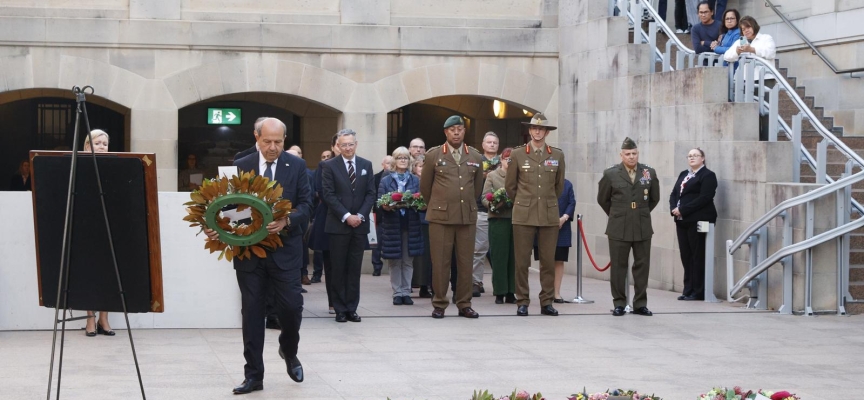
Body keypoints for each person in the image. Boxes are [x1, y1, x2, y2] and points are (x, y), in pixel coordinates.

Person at [204, 118, 310, 394]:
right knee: (252, 312)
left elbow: (308, 205)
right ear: (256, 137)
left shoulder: (297, 166)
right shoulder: (240, 165)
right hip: (249, 253)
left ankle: (289, 350)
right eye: (267, 141)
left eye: (278, 142)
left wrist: (287, 220)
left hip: (286, 252)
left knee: (291, 309)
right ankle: (253, 375)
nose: (273, 147)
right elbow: (227, 208)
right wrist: (218, 228)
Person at [419, 115, 484, 319]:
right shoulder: (434, 155)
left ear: (464, 131)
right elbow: (425, 188)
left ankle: (464, 303)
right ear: (445, 132)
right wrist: (441, 204)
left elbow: (477, 188)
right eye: (452, 129)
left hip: (466, 217)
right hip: (441, 217)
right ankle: (439, 303)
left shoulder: (475, 156)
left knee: (466, 262)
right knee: (440, 263)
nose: (456, 132)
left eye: (460, 129)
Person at [505, 113, 566, 317]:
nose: (537, 132)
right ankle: (522, 301)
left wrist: (546, 201)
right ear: (529, 131)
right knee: (522, 261)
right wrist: (524, 202)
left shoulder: (556, 155)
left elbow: (558, 186)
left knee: (548, 261)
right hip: (524, 213)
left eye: (541, 129)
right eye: (534, 128)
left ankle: (546, 301)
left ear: (547, 132)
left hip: (548, 214)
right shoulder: (518, 154)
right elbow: (511, 187)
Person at [597, 137, 660, 317]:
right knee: (618, 267)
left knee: (642, 266)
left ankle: (640, 304)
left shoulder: (649, 172)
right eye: (627, 154)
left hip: (642, 225)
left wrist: (639, 212)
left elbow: (654, 198)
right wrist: (618, 213)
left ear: (637, 154)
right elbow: (603, 199)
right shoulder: (611, 174)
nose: (631, 157)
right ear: (621, 155)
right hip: (618, 226)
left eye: (634, 153)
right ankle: (619, 303)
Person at [320, 129, 376, 323]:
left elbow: (371, 193)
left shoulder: (366, 165)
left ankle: (352, 307)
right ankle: (339, 309)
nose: (347, 148)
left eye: (350, 144)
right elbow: (328, 194)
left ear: (356, 144)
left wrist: (360, 215)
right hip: (338, 225)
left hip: (359, 226)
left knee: (354, 268)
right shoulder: (329, 166)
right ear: (338, 146)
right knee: (337, 268)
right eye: (343, 145)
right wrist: (346, 216)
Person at [669, 148, 717, 301]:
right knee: (686, 255)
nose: (692, 158)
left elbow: (705, 197)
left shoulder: (708, 175)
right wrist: (673, 209)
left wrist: (682, 209)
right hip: (682, 220)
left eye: (695, 155)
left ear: (703, 158)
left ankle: (698, 291)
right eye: (689, 156)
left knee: (698, 256)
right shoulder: (684, 174)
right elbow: (674, 194)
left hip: (698, 220)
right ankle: (688, 289)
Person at [378, 147, 423, 305]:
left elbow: (420, 201)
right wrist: (386, 205)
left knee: (408, 260)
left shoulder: (415, 180)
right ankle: (397, 292)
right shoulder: (385, 180)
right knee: (395, 260)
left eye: (405, 158)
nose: (402, 160)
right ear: (394, 161)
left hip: (410, 224)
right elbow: (380, 201)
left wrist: (414, 202)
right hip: (392, 224)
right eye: (399, 158)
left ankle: (406, 291)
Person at [82, 129, 113, 337]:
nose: (102, 146)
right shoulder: (79, 165)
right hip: (85, 225)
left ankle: (104, 318)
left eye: (105, 143)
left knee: (108, 273)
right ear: (87, 146)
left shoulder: (114, 165)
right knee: (88, 272)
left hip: (110, 224)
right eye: (98, 143)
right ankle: (90, 319)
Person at [309, 135, 341, 315]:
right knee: (330, 264)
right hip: (329, 217)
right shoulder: (324, 166)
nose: (343, 148)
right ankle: (333, 302)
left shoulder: (359, 165)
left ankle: (348, 302)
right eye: (339, 145)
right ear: (333, 147)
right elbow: (321, 191)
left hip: (351, 220)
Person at [481, 147, 516, 305]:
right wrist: (493, 204)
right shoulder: (492, 176)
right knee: (499, 256)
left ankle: (512, 291)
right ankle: (500, 292)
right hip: (498, 219)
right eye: (506, 159)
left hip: (516, 219)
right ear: (501, 159)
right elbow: (484, 197)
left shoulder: (519, 176)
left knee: (514, 257)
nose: (509, 162)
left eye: (512, 159)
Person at [533, 178, 575, 303]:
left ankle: (556, 293)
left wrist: (564, 217)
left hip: (562, 227)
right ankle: (546, 291)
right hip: (543, 226)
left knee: (559, 260)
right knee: (544, 260)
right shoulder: (539, 182)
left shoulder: (567, 184)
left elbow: (571, 202)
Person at [472, 132, 500, 297]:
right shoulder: (476, 162)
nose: (492, 145)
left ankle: (500, 283)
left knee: (499, 250)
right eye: (489, 142)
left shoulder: (504, 162)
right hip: (481, 210)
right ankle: (476, 281)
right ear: (483, 145)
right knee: (479, 249)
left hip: (500, 211)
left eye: (495, 143)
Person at [723, 15, 776, 80]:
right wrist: (737, 52)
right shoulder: (740, 41)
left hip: (765, 78)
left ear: (754, 26)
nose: (746, 31)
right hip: (744, 79)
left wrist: (752, 50)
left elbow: (771, 53)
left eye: (748, 27)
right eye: (743, 29)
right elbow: (726, 56)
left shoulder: (766, 38)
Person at [411, 157, 433, 298]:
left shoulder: (433, 181)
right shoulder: (412, 181)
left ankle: (430, 284)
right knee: (419, 257)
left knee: (430, 257)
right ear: (414, 168)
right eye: (419, 166)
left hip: (430, 221)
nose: (422, 169)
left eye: (425, 166)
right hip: (416, 221)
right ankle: (420, 284)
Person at [371, 155, 393, 276]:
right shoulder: (375, 178)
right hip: (379, 215)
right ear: (383, 164)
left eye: (391, 163)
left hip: (392, 214)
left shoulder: (395, 177)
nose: (390, 165)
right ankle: (376, 266)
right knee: (377, 243)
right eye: (387, 163)